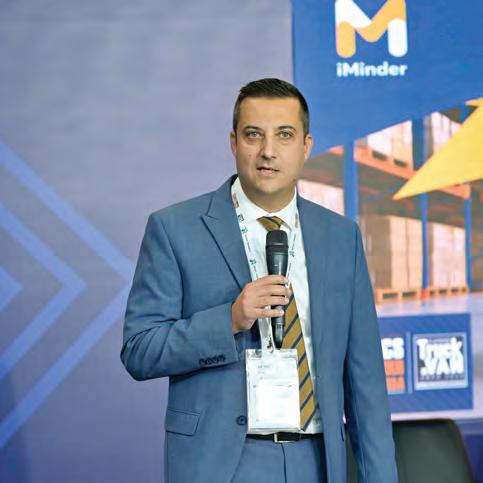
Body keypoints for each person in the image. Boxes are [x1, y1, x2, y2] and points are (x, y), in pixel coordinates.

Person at [121, 78, 398, 483]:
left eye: (284, 135)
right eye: (254, 134)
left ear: (306, 146)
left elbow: (366, 384)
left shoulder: (341, 237)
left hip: (316, 460)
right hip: (224, 464)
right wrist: (229, 320)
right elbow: (139, 350)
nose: (268, 150)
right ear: (233, 142)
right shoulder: (175, 229)